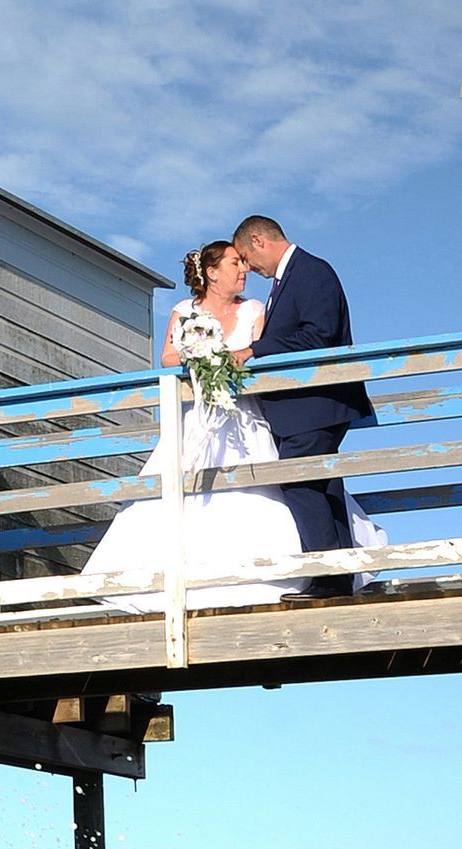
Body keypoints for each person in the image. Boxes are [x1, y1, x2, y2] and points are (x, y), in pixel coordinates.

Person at [79, 240, 308, 612]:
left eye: (244, 263)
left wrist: (229, 361)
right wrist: (200, 355)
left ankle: (261, 578)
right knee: (181, 494)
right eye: (235, 263)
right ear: (212, 272)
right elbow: (168, 357)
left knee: (253, 493)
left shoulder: (253, 310)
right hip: (196, 417)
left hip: (242, 417)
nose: (244, 269)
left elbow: (258, 354)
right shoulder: (185, 311)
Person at [230, 214, 377, 596]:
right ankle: (339, 576)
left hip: (316, 403)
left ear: (259, 240)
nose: (249, 267)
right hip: (307, 408)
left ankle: (328, 575)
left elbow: (319, 334)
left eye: (247, 257)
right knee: (322, 484)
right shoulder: (288, 279)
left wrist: (256, 350)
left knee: (297, 481)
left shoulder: (311, 271)